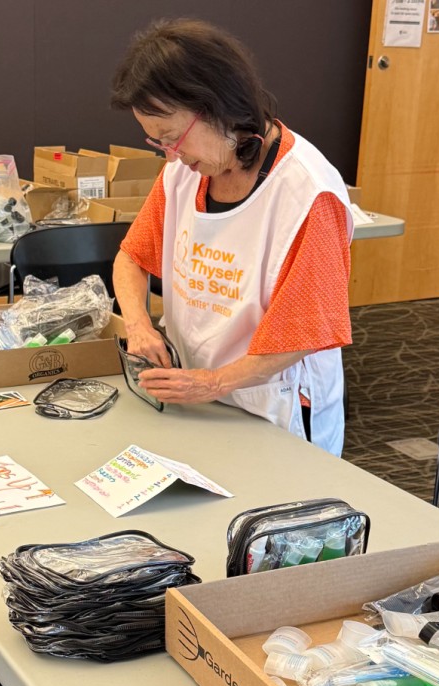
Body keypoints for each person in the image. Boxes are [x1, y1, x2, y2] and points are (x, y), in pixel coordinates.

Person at [110, 18, 355, 456]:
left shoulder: (307, 194)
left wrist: (212, 382)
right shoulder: (184, 174)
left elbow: (302, 335)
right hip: (198, 392)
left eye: (173, 139)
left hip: (275, 406)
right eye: (158, 143)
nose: (172, 156)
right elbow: (131, 257)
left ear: (218, 107)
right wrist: (138, 326)